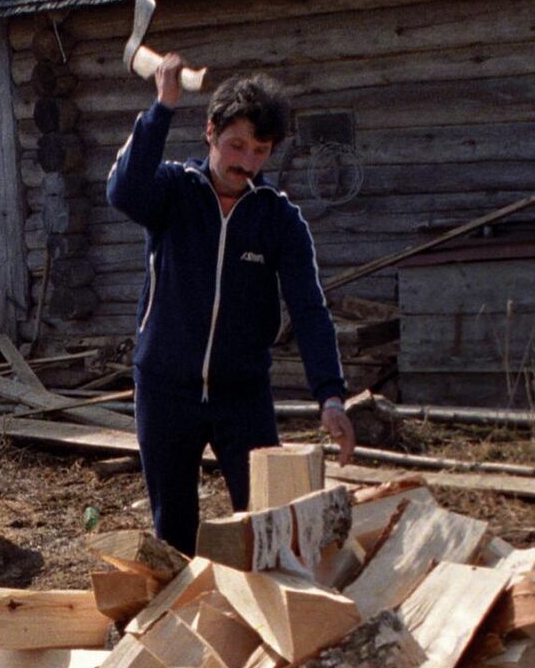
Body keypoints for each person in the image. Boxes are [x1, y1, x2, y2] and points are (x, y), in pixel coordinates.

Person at [106, 58, 355, 554]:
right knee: (174, 530)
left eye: (259, 151)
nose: (246, 162)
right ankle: (176, 627)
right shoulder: (173, 192)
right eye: (236, 145)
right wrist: (162, 107)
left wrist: (330, 395)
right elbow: (123, 191)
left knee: (264, 523)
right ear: (210, 133)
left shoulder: (279, 220)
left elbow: (309, 309)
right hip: (165, 390)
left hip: (242, 396)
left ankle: (262, 622)